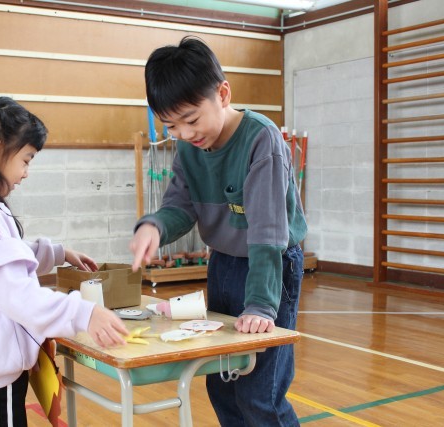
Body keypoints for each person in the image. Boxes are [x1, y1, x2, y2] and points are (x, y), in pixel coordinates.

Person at [130, 36, 307, 426]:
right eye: (171, 125)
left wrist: (260, 305)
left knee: (259, 394)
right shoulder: (189, 147)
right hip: (224, 263)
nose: (184, 133)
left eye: (191, 120)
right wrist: (154, 227)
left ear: (223, 94)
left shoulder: (261, 139)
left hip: (270, 265)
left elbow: (267, 234)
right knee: (222, 383)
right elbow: (180, 206)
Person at [0, 96, 128, 427]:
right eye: (26, 160)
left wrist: (59, 253)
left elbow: (6, 255)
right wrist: (85, 313)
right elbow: (19, 296)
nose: (25, 173)